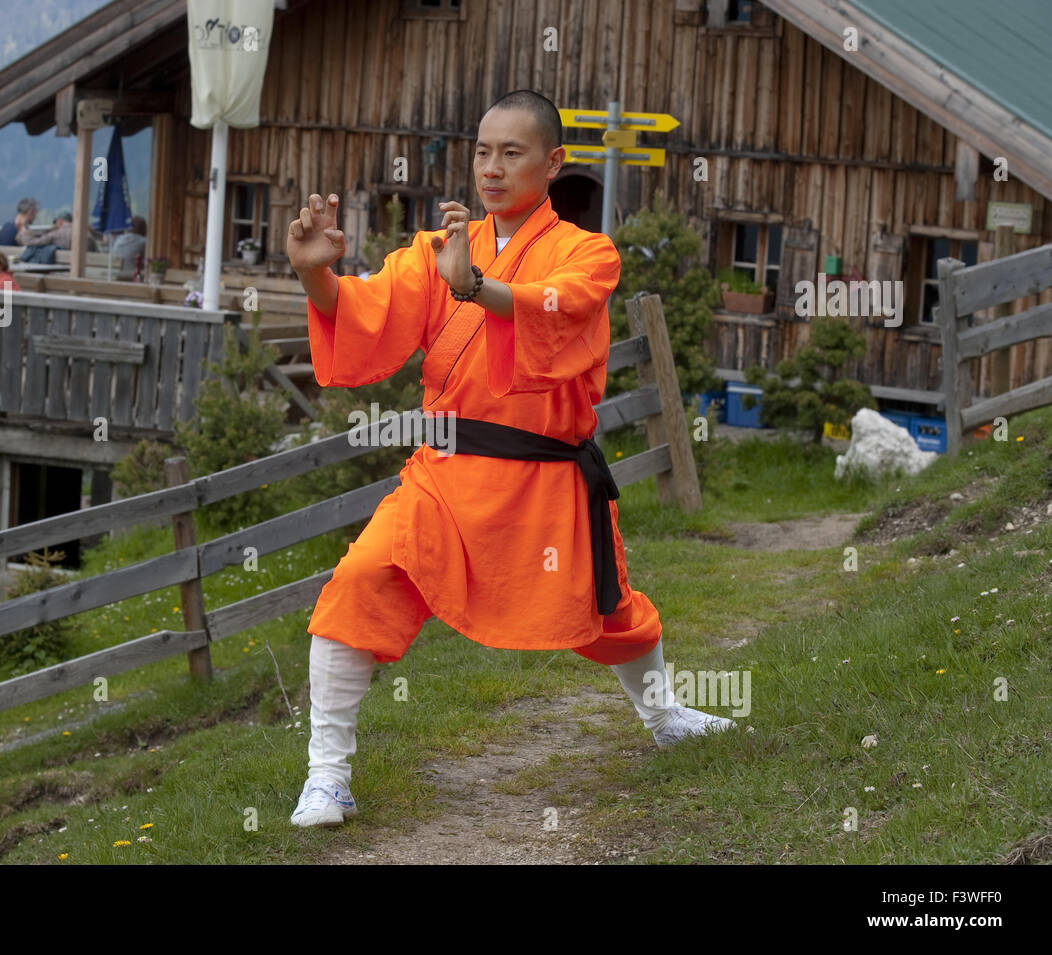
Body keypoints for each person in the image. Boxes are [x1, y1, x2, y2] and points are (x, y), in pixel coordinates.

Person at [286, 90, 737, 828]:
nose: (491, 169)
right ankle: (327, 776)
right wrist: (315, 275)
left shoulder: (588, 252)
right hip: (444, 473)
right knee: (359, 583)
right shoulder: (436, 250)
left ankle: (666, 717)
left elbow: (555, 309)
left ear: (552, 163)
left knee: (609, 609)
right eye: (483, 152)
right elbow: (365, 316)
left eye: (512, 152)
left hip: (545, 477)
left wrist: (474, 284)